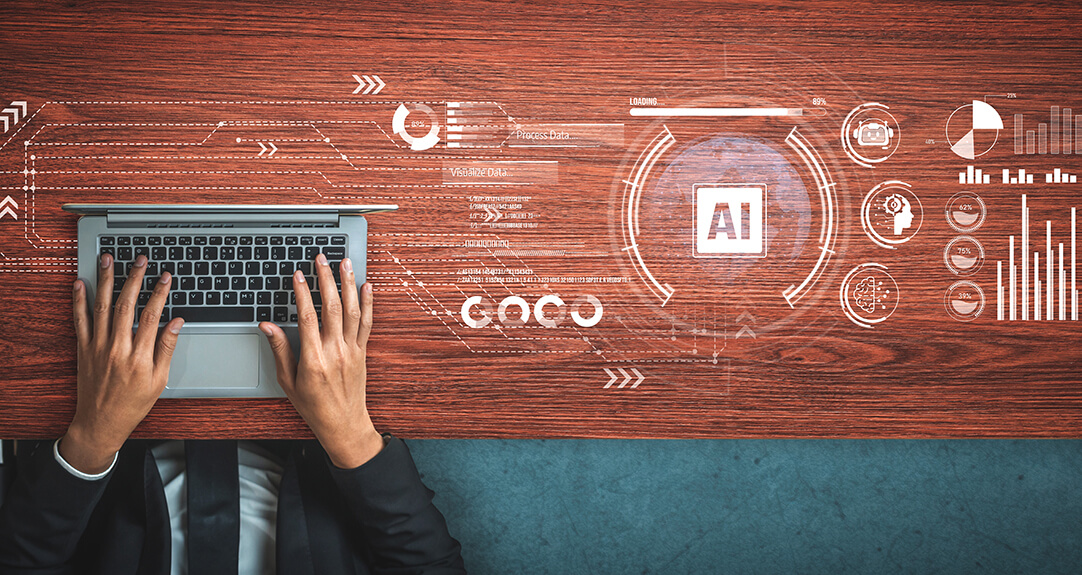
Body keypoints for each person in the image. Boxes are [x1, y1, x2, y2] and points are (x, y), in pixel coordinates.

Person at [0, 252, 466, 574]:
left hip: (118, 439)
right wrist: (350, 434)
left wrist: (93, 437)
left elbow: (21, 563)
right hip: (316, 440)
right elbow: (426, 564)